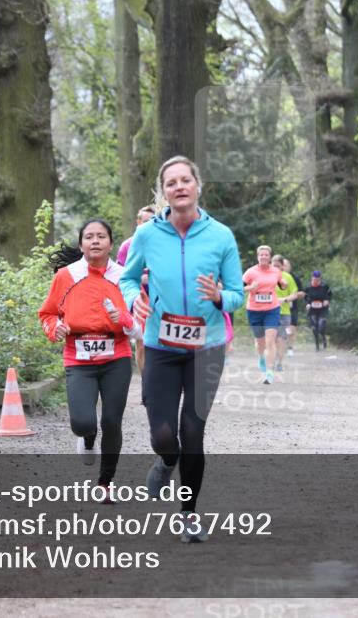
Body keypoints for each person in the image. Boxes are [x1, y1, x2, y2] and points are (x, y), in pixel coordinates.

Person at [121, 155, 244, 543]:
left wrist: (221, 297)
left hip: (207, 347)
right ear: (163, 192)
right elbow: (125, 278)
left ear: (197, 185)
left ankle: (189, 514)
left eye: (185, 180)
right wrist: (132, 300)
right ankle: (166, 459)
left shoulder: (221, 236)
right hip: (160, 344)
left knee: (193, 431)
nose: (179, 187)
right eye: (170, 182)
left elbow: (238, 294)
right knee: (162, 434)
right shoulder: (147, 235)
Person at [38, 219, 142, 502]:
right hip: (78, 357)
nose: (95, 241)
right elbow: (48, 314)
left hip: (116, 356)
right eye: (89, 237)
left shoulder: (124, 277)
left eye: (101, 237)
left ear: (111, 243)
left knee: (112, 420)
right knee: (83, 422)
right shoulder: (66, 275)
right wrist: (55, 328)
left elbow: (138, 323)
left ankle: (106, 483)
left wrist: (123, 320)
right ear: (81, 243)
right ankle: (87, 438)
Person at [117, 205, 156, 374]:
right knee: (142, 343)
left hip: (160, 301)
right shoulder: (127, 246)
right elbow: (120, 276)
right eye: (145, 221)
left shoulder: (163, 244)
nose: (149, 225)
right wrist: (141, 279)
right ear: (138, 222)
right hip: (139, 301)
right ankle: (146, 384)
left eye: (152, 221)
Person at [242, 245, 287, 384]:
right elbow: (238, 288)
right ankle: (261, 357)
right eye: (261, 255)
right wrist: (251, 288)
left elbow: (281, 285)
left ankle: (269, 372)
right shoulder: (250, 272)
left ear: (270, 257)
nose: (263, 257)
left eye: (266, 255)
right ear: (257, 256)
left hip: (271, 309)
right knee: (260, 342)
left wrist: (283, 284)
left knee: (270, 341)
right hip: (254, 310)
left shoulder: (276, 271)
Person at [272, 255, 300, 372]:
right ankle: (270, 360)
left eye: (279, 266)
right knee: (270, 337)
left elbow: (295, 294)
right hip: (268, 311)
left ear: (282, 266)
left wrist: (285, 299)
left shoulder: (288, 277)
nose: (276, 268)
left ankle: (279, 362)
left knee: (281, 338)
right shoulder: (266, 276)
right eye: (274, 265)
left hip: (284, 312)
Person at [303, 270, 333, 351]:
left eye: (317, 279)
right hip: (312, 309)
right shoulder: (308, 287)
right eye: (314, 279)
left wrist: (327, 300)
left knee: (321, 326)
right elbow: (305, 297)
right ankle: (317, 345)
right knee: (314, 327)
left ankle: (323, 338)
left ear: (320, 279)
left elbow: (329, 294)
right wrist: (307, 304)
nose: (316, 281)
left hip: (322, 309)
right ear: (311, 278)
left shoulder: (324, 286)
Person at [282, 257, 305, 355]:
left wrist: (294, 295)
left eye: (286, 265)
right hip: (278, 307)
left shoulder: (295, 278)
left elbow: (302, 293)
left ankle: (290, 348)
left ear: (290, 267)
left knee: (292, 327)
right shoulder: (274, 276)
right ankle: (278, 346)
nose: (284, 267)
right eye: (282, 265)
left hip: (292, 306)